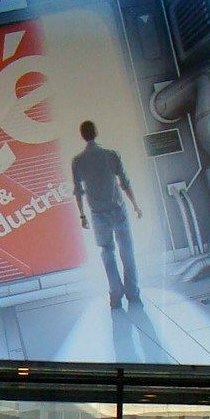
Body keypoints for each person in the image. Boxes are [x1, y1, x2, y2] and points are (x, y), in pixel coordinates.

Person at [70, 120, 143, 309]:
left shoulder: (78, 162)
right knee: (127, 252)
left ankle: (115, 295)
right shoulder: (111, 155)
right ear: (96, 132)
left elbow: (78, 191)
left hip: (98, 214)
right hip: (118, 210)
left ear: (82, 135)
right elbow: (124, 182)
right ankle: (133, 293)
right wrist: (135, 204)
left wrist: (82, 215)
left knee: (107, 253)